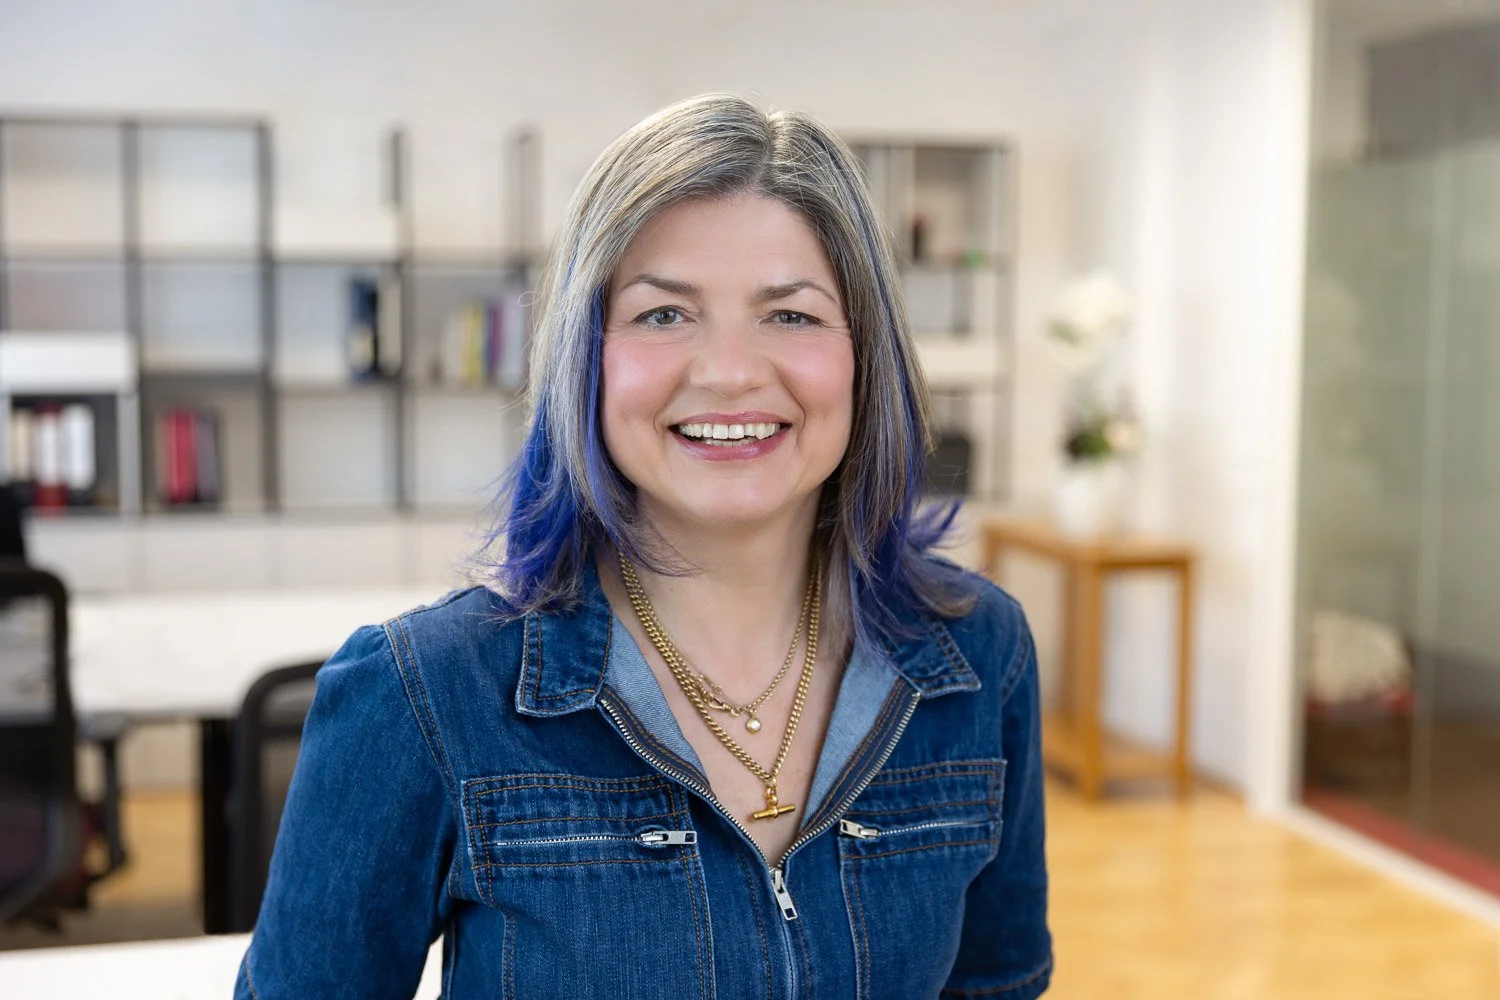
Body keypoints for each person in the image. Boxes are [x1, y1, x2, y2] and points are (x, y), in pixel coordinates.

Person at [236, 93, 1051, 999]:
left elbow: (995, 985)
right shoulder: (424, 693)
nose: (731, 370)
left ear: (867, 356)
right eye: (665, 315)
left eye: (791, 315)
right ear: (588, 357)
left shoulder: (980, 658)